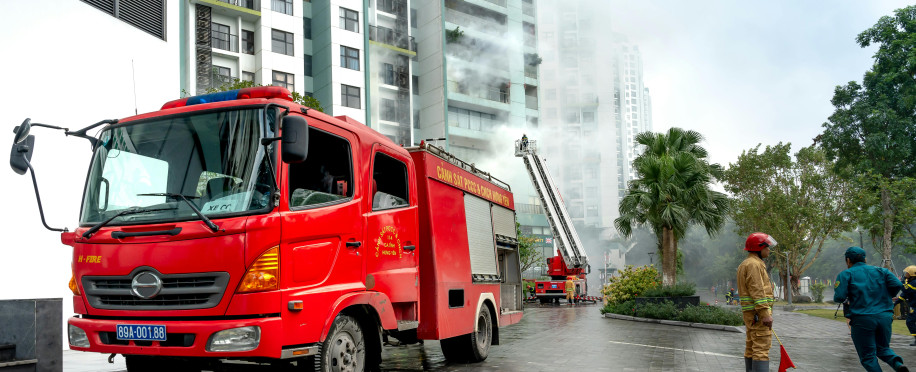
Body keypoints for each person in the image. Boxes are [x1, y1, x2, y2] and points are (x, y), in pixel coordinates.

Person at [835, 246, 909, 372]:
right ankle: (897, 364)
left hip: (862, 318)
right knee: (883, 348)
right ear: (865, 259)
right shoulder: (882, 271)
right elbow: (897, 284)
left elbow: (839, 297)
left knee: (868, 357)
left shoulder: (846, 274)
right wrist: (886, 296)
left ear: (848, 260)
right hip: (885, 316)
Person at [737, 232, 777, 372]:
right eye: (767, 247)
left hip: (751, 315)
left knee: (751, 347)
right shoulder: (754, 265)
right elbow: (757, 291)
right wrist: (765, 313)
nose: (769, 250)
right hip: (758, 316)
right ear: (758, 248)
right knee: (761, 349)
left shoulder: (746, 264)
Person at [899, 265, 916, 346]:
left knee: (910, 321)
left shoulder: (914, 283)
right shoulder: (909, 282)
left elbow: (906, 290)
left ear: (912, 274)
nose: (906, 274)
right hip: (913, 306)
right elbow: (904, 294)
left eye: (907, 273)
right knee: (910, 321)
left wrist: (902, 282)